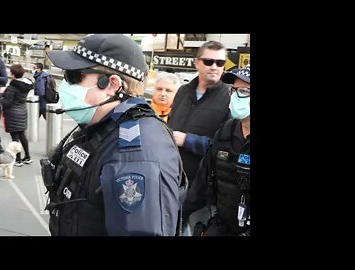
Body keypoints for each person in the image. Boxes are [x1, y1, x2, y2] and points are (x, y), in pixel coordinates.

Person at [42, 34, 184, 236]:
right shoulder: (101, 127)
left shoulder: (137, 153)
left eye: (73, 76)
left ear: (111, 84)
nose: (65, 84)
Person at [183, 65, 251, 236]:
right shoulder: (225, 132)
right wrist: (181, 214)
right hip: (221, 226)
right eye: (233, 90)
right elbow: (202, 182)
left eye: (243, 91)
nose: (235, 97)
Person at [168, 41, 231, 187]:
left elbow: (224, 150)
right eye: (209, 61)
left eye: (220, 62)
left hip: (201, 184)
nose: (214, 67)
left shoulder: (229, 100)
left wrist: (187, 140)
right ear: (197, 63)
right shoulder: (183, 91)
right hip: (170, 174)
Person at [0, 64, 34, 167]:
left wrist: (1, 96)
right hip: (22, 111)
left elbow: (7, 102)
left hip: (12, 113)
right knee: (22, 135)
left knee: (15, 137)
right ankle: (27, 157)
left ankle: (18, 159)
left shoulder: (12, 87)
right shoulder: (26, 85)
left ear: (13, 74)